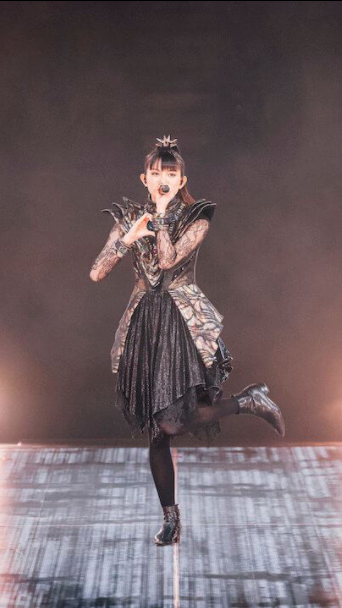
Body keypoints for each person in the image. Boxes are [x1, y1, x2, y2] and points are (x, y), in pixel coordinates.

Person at [90, 136, 285, 545]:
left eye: (171, 174)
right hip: (145, 324)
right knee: (158, 431)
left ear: (182, 181)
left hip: (182, 323)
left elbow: (166, 260)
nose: (163, 179)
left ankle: (245, 401)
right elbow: (97, 272)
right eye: (157, 173)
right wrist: (129, 237)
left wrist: (159, 218)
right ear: (144, 178)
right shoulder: (129, 216)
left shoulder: (198, 214)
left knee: (172, 422)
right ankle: (170, 518)